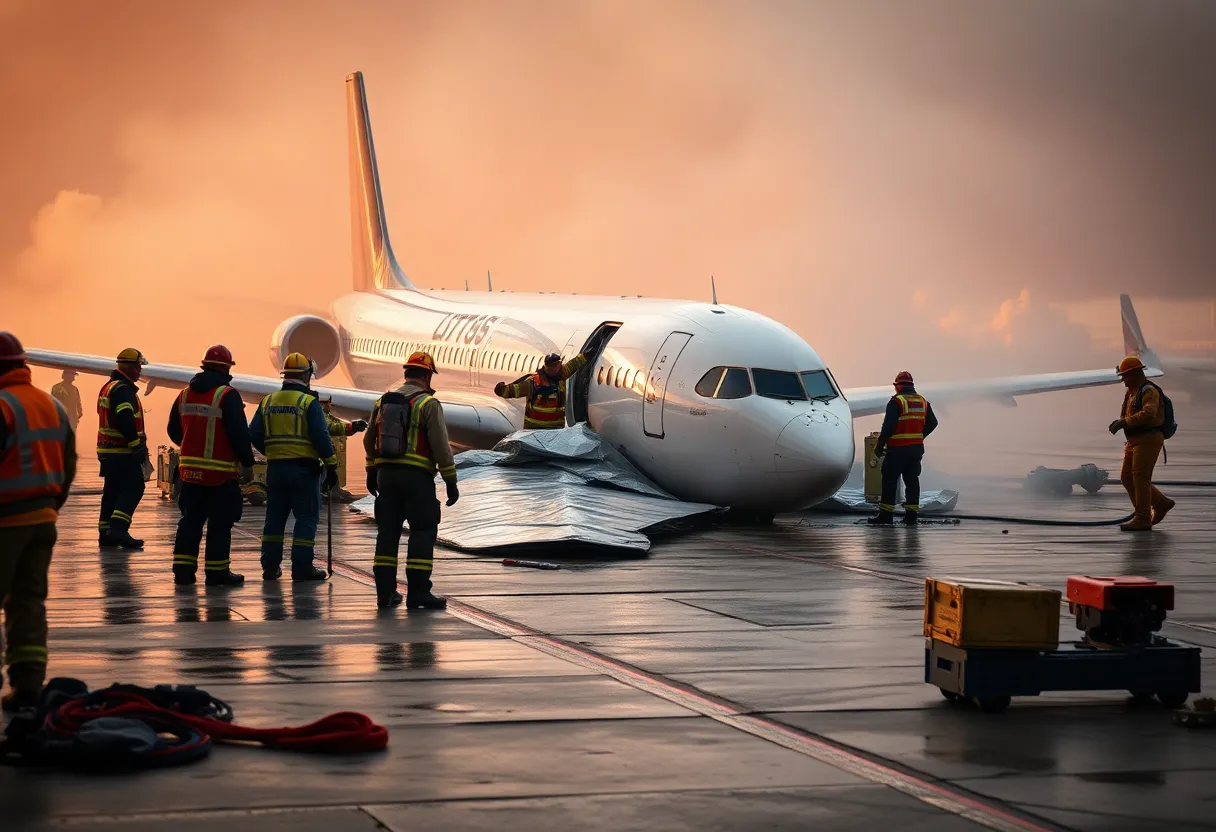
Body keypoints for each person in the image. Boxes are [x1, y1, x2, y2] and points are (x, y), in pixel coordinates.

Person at [0, 332, 75, 711]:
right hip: (43, 519)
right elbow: (68, 463)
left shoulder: (3, 406)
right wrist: (50, 506)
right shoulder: (50, 404)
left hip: (6, 522)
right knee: (28, 601)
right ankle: (28, 685)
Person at [364, 351, 457, 609]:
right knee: (422, 532)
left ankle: (385, 593)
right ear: (427, 376)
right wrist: (450, 480)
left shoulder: (383, 401)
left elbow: (369, 440)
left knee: (387, 534)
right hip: (417, 480)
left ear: (406, 374)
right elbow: (441, 446)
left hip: (386, 477)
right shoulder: (428, 404)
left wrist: (371, 470)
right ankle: (418, 593)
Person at [167, 345, 256, 586]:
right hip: (219, 476)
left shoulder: (184, 394)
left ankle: (183, 573)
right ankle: (217, 573)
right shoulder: (227, 395)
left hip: (189, 474)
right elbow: (239, 435)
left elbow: (173, 431)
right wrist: (247, 463)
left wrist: (192, 445)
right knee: (219, 524)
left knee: (190, 522)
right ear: (227, 369)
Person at [249, 353, 338, 582]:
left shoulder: (268, 401)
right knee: (306, 518)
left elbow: (254, 433)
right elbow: (321, 436)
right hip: (303, 470)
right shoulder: (308, 403)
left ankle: (270, 567)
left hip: (276, 470)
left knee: (274, 519)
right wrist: (331, 466)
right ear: (306, 375)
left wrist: (273, 451)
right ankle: (302, 568)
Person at [1109, 355, 1175, 531]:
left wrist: (1124, 423)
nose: (1123, 380)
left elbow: (1149, 414)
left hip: (1148, 439)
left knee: (1140, 478)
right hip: (1134, 440)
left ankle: (1143, 518)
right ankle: (1160, 503)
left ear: (1136, 374)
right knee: (1127, 477)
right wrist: (1121, 422)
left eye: (1125, 376)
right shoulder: (1132, 392)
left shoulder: (1148, 391)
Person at [96, 348, 150, 548]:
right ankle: (119, 529)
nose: (140, 371)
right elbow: (125, 419)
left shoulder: (108, 387)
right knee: (135, 487)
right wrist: (136, 446)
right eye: (137, 366)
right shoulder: (123, 390)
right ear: (128, 367)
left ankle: (105, 533)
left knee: (112, 490)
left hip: (107, 450)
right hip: (121, 451)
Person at [869, 371, 938, 526]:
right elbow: (933, 423)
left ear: (898, 386)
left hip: (897, 449)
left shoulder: (897, 402)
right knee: (912, 481)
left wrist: (879, 445)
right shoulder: (923, 401)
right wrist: (919, 436)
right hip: (915, 449)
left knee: (890, 480)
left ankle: (886, 515)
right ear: (912, 385)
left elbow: (888, 427)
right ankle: (911, 516)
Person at [494, 351, 589, 429]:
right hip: (534, 430)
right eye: (554, 367)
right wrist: (502, 390)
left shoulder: (561, 375)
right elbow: (515, 390)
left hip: (555, 429)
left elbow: (573, 364)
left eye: (558, 366)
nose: (557, 369)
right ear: (548, 367)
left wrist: (586, 355)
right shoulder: (534, 382)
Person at [320, 396, 367, 503]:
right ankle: (329, 494)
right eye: (328, 403)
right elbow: (330, 427)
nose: (330, 406)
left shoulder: (325, 415)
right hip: (320, 456)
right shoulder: (317, 413)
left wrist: (351, 427)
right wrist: (351, 427)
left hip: (322, 455)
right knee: (325, 473)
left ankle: (334, 492)